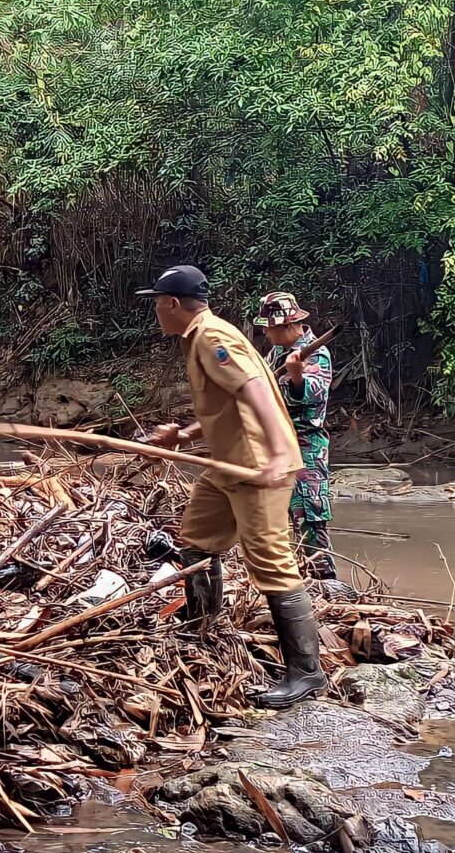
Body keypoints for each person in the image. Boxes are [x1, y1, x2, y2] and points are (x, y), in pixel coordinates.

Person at [139, 265, 325, 709]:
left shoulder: (211, 337)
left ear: (171, 304)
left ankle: (306, 672)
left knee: (273, 564)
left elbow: (256, 389)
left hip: (257, 469)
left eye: (157, 303)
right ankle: (200, 625)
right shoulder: (201, 335)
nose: (156, 312)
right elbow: (229, 406)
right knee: (196, 541)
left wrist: (279, 453)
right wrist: (184, 437)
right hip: (227, 466)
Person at [255, 291, 337, 588]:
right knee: (277, 513)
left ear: (287, 325)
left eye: (268, 325)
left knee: (310, 516)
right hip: (276, 444)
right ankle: (293, 576)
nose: (264, 331)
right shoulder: (276, 352)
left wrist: (297, 377)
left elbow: (312, 394)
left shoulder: (316, 353)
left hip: (305, 445)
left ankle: (324, 582)